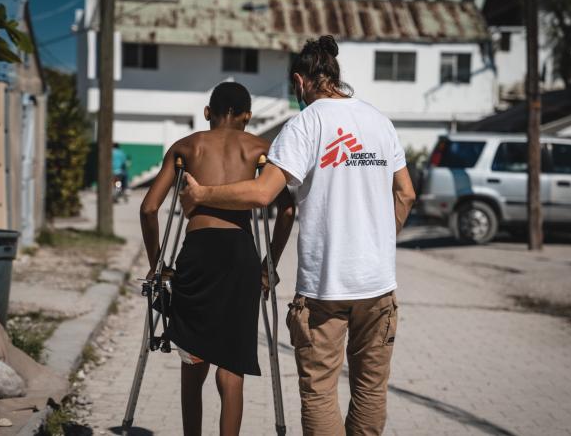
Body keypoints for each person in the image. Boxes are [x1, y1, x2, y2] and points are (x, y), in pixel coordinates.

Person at [181, 36, 416, 436]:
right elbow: (406, 193)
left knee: (321, 392)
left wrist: (201, 194)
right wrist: (378, 241)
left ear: (300, 81)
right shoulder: (380, 121)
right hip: (378, 285)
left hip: (326, 288)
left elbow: (261, 193)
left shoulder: (305, 124)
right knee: (370, 389)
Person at [139, 82, 295, 436]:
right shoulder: (260, 148)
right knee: (232, 365)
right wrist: (269, 264)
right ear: (247, 117)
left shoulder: (187, 146)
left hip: (199, 254)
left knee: (193, 359)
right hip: (241, 255)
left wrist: (157, 264)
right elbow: (286, 212)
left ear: (208, 113)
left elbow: (149, 208)